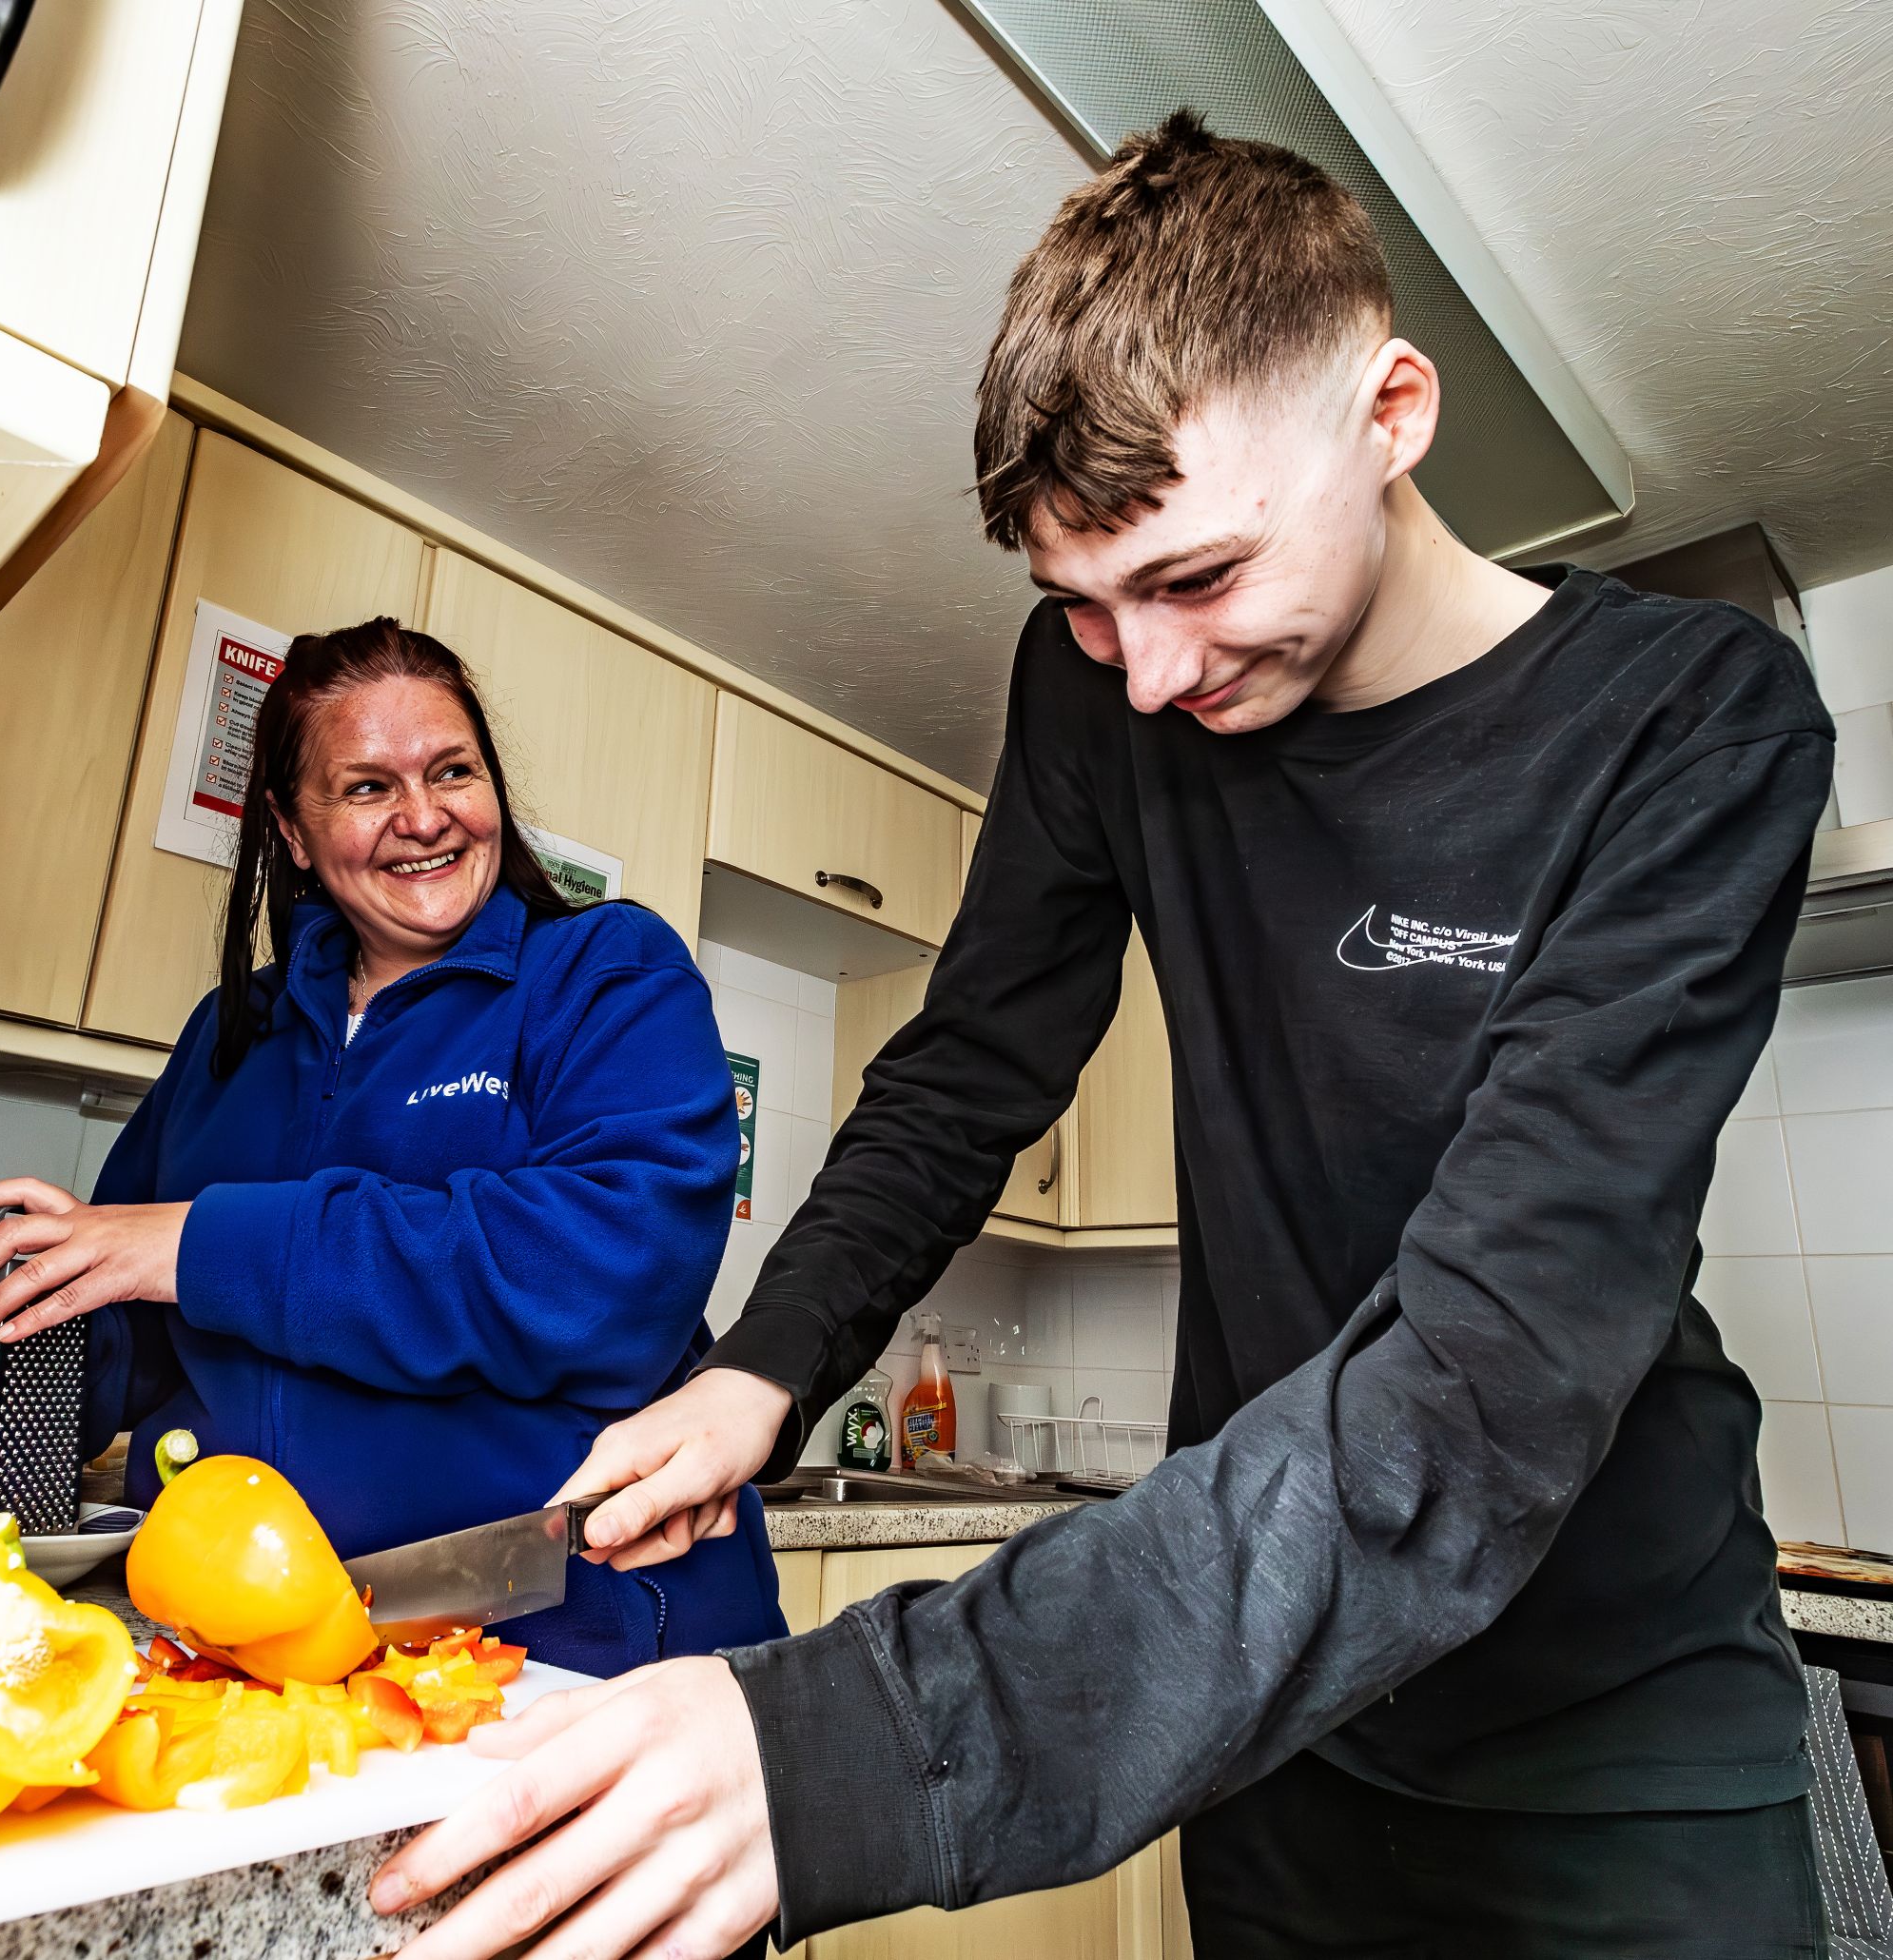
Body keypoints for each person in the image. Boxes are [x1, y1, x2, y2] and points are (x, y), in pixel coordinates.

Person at [363, 113, 1838, 1959]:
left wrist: (844, 1751)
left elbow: (1475, 1389)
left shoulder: (1692, 724)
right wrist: (760, 1372)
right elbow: (969, 1064)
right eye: (1081, 607)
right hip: (1271, 1739)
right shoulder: (1103, 703)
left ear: (1388, 415)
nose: (1145, 675)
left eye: (1197, 579)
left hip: (1614, 1744)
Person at [0, 617, 787, 1676]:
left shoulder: (605, 973)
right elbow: (142, 1329)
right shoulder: (228, 1033)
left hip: (568, 1643)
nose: (424, 816)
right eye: (368, 786)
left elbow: (604, 1274)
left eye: (452, 770)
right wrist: (1, 1373)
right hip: (253, 1647)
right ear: (293, 831)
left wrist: (199, 1243)